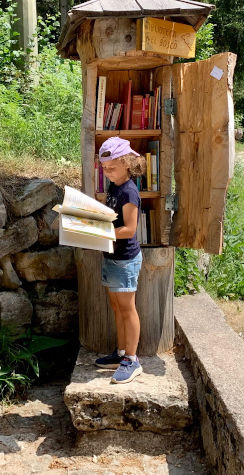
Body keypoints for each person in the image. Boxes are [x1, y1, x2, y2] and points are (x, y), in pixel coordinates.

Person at [94, 136, 145, 383]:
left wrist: (100, 232)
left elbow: (130, 230)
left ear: (126, 163)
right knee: (117, 307)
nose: (107, 172)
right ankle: (121, 352)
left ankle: (132, 360)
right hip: (111, 256)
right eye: (104, 168)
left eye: (112, 167)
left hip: (125, 260)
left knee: (127, 308)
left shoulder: (129, 192)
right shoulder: (114, 187)